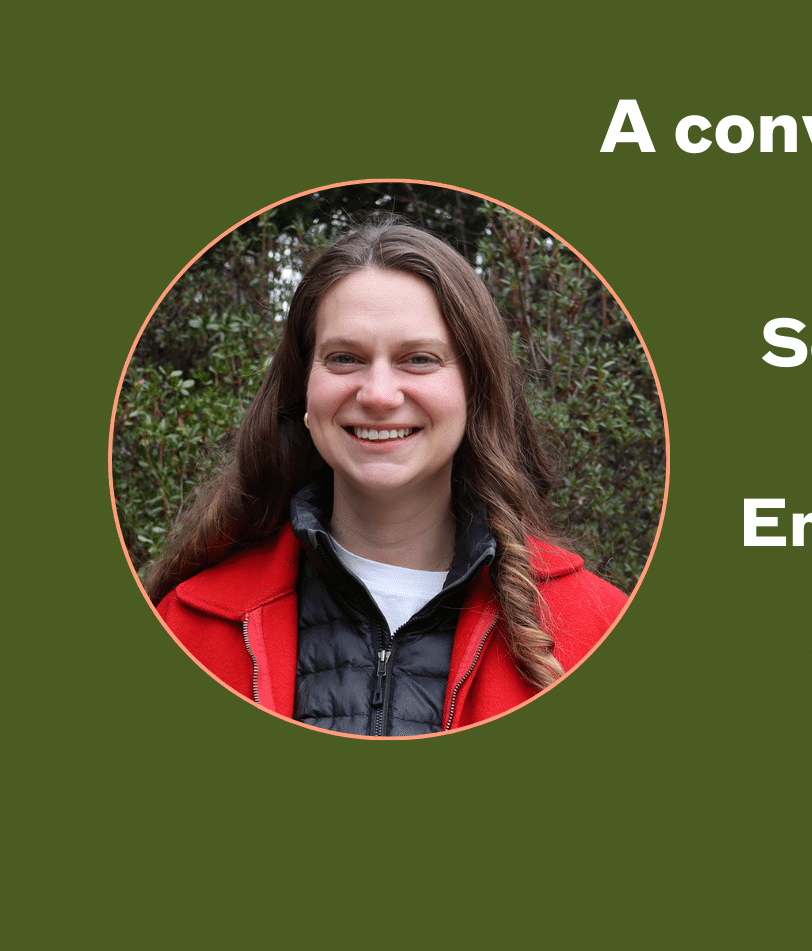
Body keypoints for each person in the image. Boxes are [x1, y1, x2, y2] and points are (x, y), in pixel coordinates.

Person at [148, 216, 627, 736]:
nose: (378, 394)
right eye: (344, 358)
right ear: (302, 391)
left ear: (474, 392)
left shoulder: (598, 627)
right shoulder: (189, 625)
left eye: (419, 359)